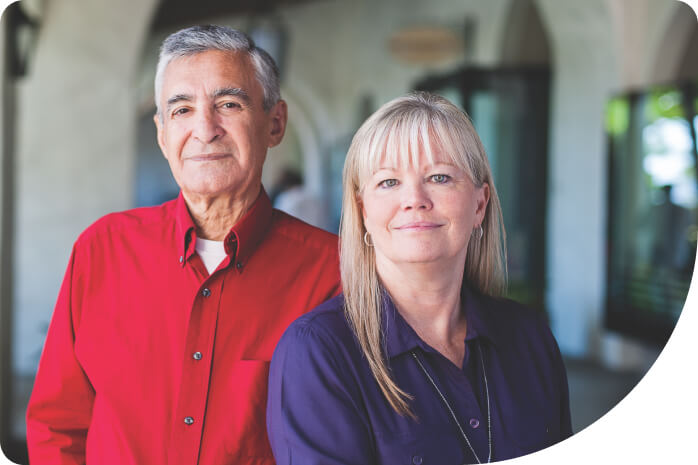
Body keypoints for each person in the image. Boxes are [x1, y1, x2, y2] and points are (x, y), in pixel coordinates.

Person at [26, 25, 340, 465]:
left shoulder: (333, 272)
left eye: (228, 104)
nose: (204, 129)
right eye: (181, 110)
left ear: (275, 123)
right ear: (161, 133)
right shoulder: (102, 250)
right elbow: (56, 427)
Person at [267, 92, 571, 464]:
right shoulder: (319, 352)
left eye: (440, 177)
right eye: (389, 182)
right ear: (363, 212)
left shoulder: (530, 338)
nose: (414, 199)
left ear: (479, 204)